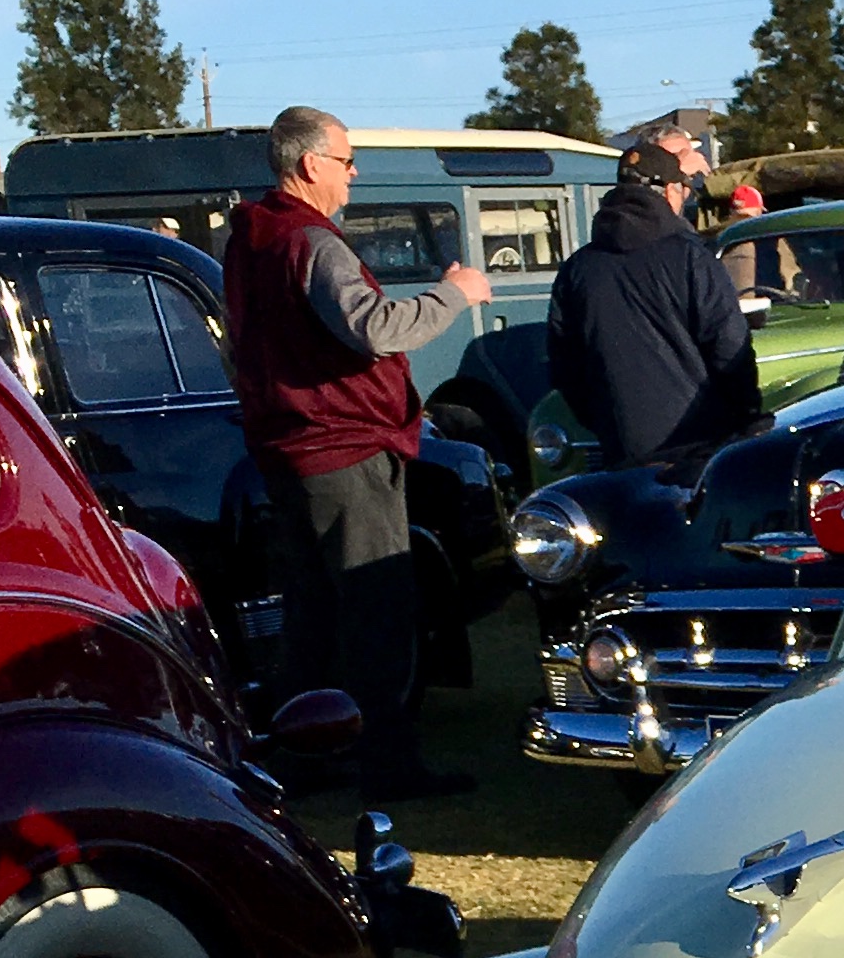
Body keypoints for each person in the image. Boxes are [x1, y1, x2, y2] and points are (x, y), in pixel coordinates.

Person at [223, 104, 489, 794]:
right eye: (346, 161)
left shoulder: (254, 238)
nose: (353, 174)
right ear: (311, 165)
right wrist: (453, 295)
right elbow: (373, 328)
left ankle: (301, 758)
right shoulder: (310, 241)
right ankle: (389, 765)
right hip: (342, 448)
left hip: (288, 450)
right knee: (376, 610)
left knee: (310, 616)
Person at [546, 130, 758, 468]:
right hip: (698, 449)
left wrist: (606, 419)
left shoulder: (577, 269)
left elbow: (565, 366)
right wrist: (746, 417)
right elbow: (729, 345)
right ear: (671, 191)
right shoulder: (690, 258)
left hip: (621, 448)